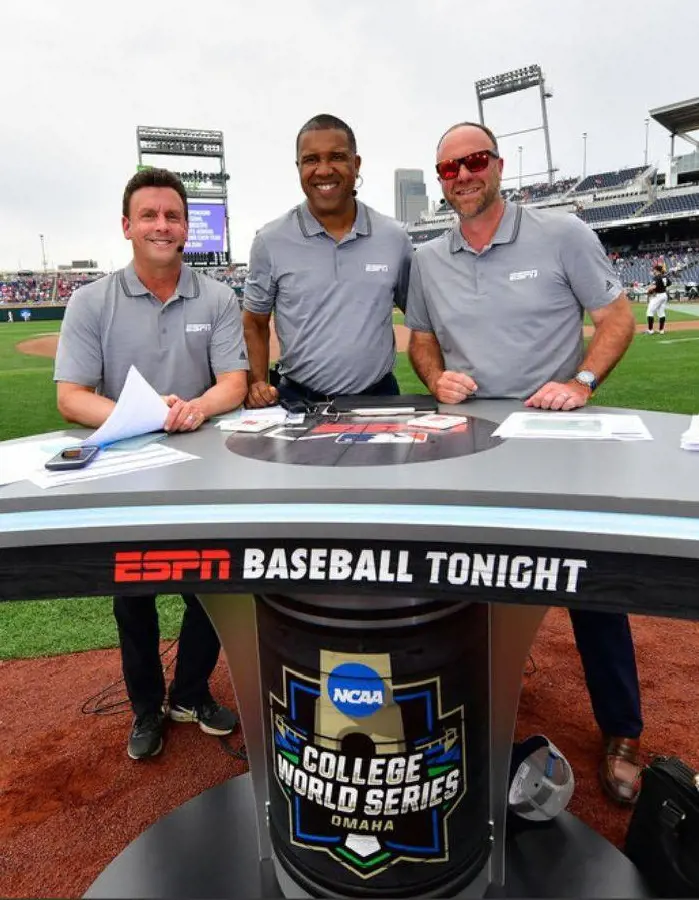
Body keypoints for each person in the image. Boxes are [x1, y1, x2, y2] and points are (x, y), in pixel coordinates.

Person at [406, 121, 643, 805]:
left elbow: (616, 318)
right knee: (468, 572)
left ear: (497, 165)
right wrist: (434, 378)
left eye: (472, 162)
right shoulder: (429, 258)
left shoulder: (561, 233)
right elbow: (422, 340)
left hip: (554, 437)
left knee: (590, 583)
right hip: (470, 440)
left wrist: (582, 384)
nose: (461, 177)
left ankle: (622, 729)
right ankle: (469, 718)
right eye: (447, 168)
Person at [54, 168, 249, 760]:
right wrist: (140, 415)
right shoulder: (92, 301)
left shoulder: (215, 296)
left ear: (187, 227)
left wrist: (196, 407)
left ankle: (190, 694)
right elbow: (71, 395)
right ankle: (145, 707)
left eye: (172, 216)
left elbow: (234, 382)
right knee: (132, 598)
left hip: (201, 467)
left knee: (211, 589)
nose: (161, 226)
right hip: (128, 473)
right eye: (149, 216)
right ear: (127, 226)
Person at [243, 113, 414, 407]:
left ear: (356, 164)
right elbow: (255, 322)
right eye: (311, 160)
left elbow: (421, 317)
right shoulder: (270, 240)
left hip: (379, 399)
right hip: (298, 400)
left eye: (336, 157)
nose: (324, 170)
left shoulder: (394, 237)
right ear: (298, 167)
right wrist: (258, 381)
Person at [645, 263, 671, 334]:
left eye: (654, 270)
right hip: (664, 295)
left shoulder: (657, 277)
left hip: (658, 296)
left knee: (649, 312)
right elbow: (669, 283)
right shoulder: (664, 276)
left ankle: (650, 330)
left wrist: (648, 289)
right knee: (661, 312)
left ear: (656, 270)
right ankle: (661, 330)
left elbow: (654, 287)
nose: (653, 271)